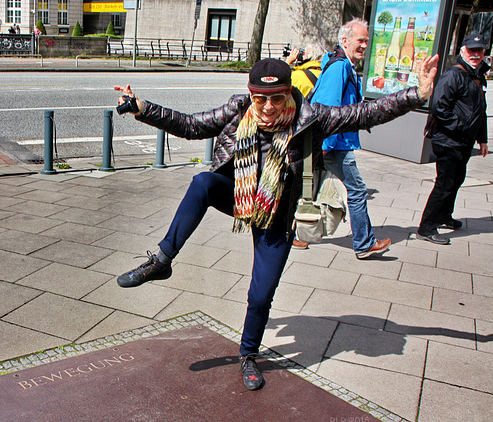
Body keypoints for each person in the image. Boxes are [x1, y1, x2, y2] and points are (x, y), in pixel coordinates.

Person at [113, 54, 438, 391]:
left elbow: (365, 112)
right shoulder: (238, 109)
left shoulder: (312, 117)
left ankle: (248, 355)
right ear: (251, 95)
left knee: (261, 294)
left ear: (288, 94)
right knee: (202, 183)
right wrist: (142, 108)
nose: (267, 107)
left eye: (276, 98)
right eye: (260, 98)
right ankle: (162, 261)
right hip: (240, 197)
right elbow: (192, 126)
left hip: (277, 216)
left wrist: (417, 95)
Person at [310, 18, 392, 259]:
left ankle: (296, 234)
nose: (365, 45)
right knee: (357, 190)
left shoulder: (343, 64)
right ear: (344, 40)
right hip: (336, 143)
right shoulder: (340, 67)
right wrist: (324, 146)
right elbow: (327, 108)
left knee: (311, 188)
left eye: (367, 41)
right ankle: (364, 243)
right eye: (360, 40)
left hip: (335, 141)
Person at [417, 34, 489, 245]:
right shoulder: (453, 76)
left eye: (480, 51)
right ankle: (426, 227)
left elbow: (480, 110)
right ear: (463, 51)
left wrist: (482, 138)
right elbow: (439, 107)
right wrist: (461, 128)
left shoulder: (476, 75)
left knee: (456, 181)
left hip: (463, 141)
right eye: (471, 50)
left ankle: (444, 216)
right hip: (449, 141)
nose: (476, 54)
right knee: (444, 184)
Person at [286, 44, 324, 249]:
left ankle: (297, 232)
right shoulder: (325, 72)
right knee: (312, 183)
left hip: (301, 138)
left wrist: (288, 63)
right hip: (323, 135)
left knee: (299, 186)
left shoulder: (300, 76)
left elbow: (279, 93)